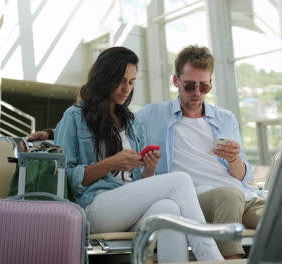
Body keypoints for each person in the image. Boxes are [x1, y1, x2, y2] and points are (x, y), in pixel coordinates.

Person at [53, 46, 223, 263]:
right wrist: (111, 163)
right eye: (121, 81)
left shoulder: (131, 122)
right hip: (94, 207)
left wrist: (149, 168)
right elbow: (66, 178)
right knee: (180, 180)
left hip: (125, 205)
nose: (127, 88)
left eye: (132, 82)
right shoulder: (74, 117)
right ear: (105, 78)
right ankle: (212, 259)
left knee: (169, 211)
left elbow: (139, 182)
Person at [135, 45, 265, 259]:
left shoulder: (225, 118)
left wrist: (233, 159)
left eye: (203, 87)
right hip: (195, 199)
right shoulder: (151, 116)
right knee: (229, 196)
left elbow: (243, 176)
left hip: (244, 196)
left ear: (210, 83)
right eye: (190, 86)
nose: (197, 93)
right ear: (176, 81)